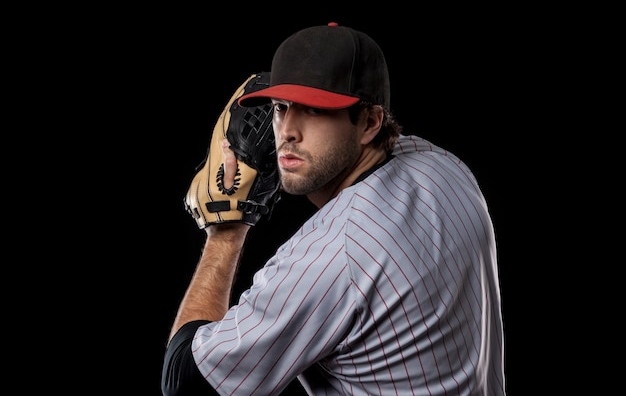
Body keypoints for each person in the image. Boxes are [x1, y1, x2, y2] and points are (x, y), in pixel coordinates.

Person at [161, 22, 506, 396]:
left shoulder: (335, 251)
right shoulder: (445, 166)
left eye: (313, 109)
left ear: (370, 122)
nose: (287, 132)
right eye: (281, 107)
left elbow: (184, 383)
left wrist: (226, 233)